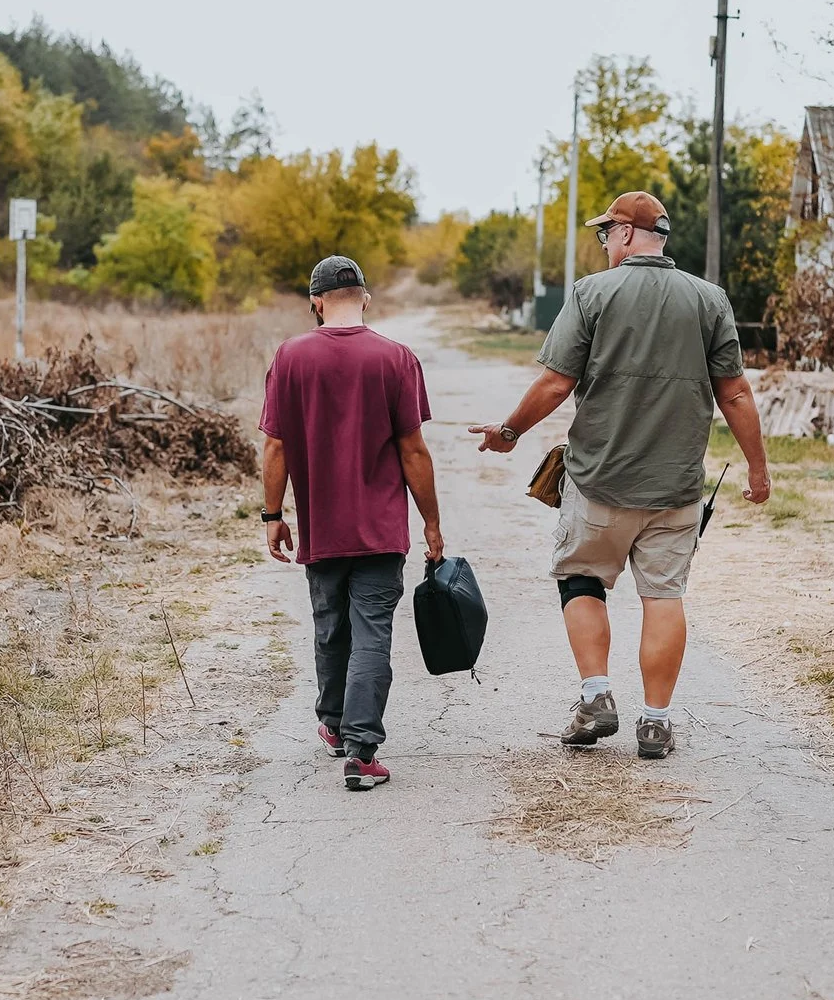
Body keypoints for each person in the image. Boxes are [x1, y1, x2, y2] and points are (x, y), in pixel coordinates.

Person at [469, 191, 768, 759]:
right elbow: (735, 392)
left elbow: (557, 384)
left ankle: (596, 696)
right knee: (663, 596)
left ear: (629, 234)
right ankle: (655, 723)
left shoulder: (590, 294)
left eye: (607, 233)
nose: (604, 242)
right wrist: (758, 469)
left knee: (580, 578)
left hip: (598, 482)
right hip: (676, 488)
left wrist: (508, 433)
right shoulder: (710, 300)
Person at [261, 255, 444, 791]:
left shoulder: (290, 357)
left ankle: (336, 726)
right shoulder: (396, 359)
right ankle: (361, 754)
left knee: (331, 628)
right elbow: (414, 450)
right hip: (380, 531)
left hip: (322, 528)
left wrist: (273, 516)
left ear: (315, 302)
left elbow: (276, 446)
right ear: (365, 297)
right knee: (371, 636)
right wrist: (432, 523)